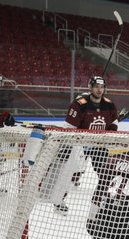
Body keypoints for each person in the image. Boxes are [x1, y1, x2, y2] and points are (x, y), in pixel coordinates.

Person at [53, 76, 119, 214]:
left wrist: (110, 132)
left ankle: (104, 200)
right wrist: (72, 145)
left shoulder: (109, 104)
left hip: (99, 145)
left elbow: (114, 122)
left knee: (105, 173)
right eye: (96, 87)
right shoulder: (79, 104)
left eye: (102, 87)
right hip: (80, 144)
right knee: (70, 172)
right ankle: (59, 201)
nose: (99, 90)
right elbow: (69, 127)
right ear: (90, 88)